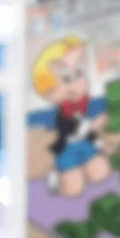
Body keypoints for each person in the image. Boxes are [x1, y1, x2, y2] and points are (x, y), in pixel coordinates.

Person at [31, 35, 110, 196]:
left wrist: (99, 143)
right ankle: (57, 179)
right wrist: (92, 125)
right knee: (74, 188)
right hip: (67, 150)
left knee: (101, 172)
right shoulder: (62, 111)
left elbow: (88, 132)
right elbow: (69, 127)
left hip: (86, 145)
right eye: (66, 79)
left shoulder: (86, 104)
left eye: (79, 74)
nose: (77, 83)